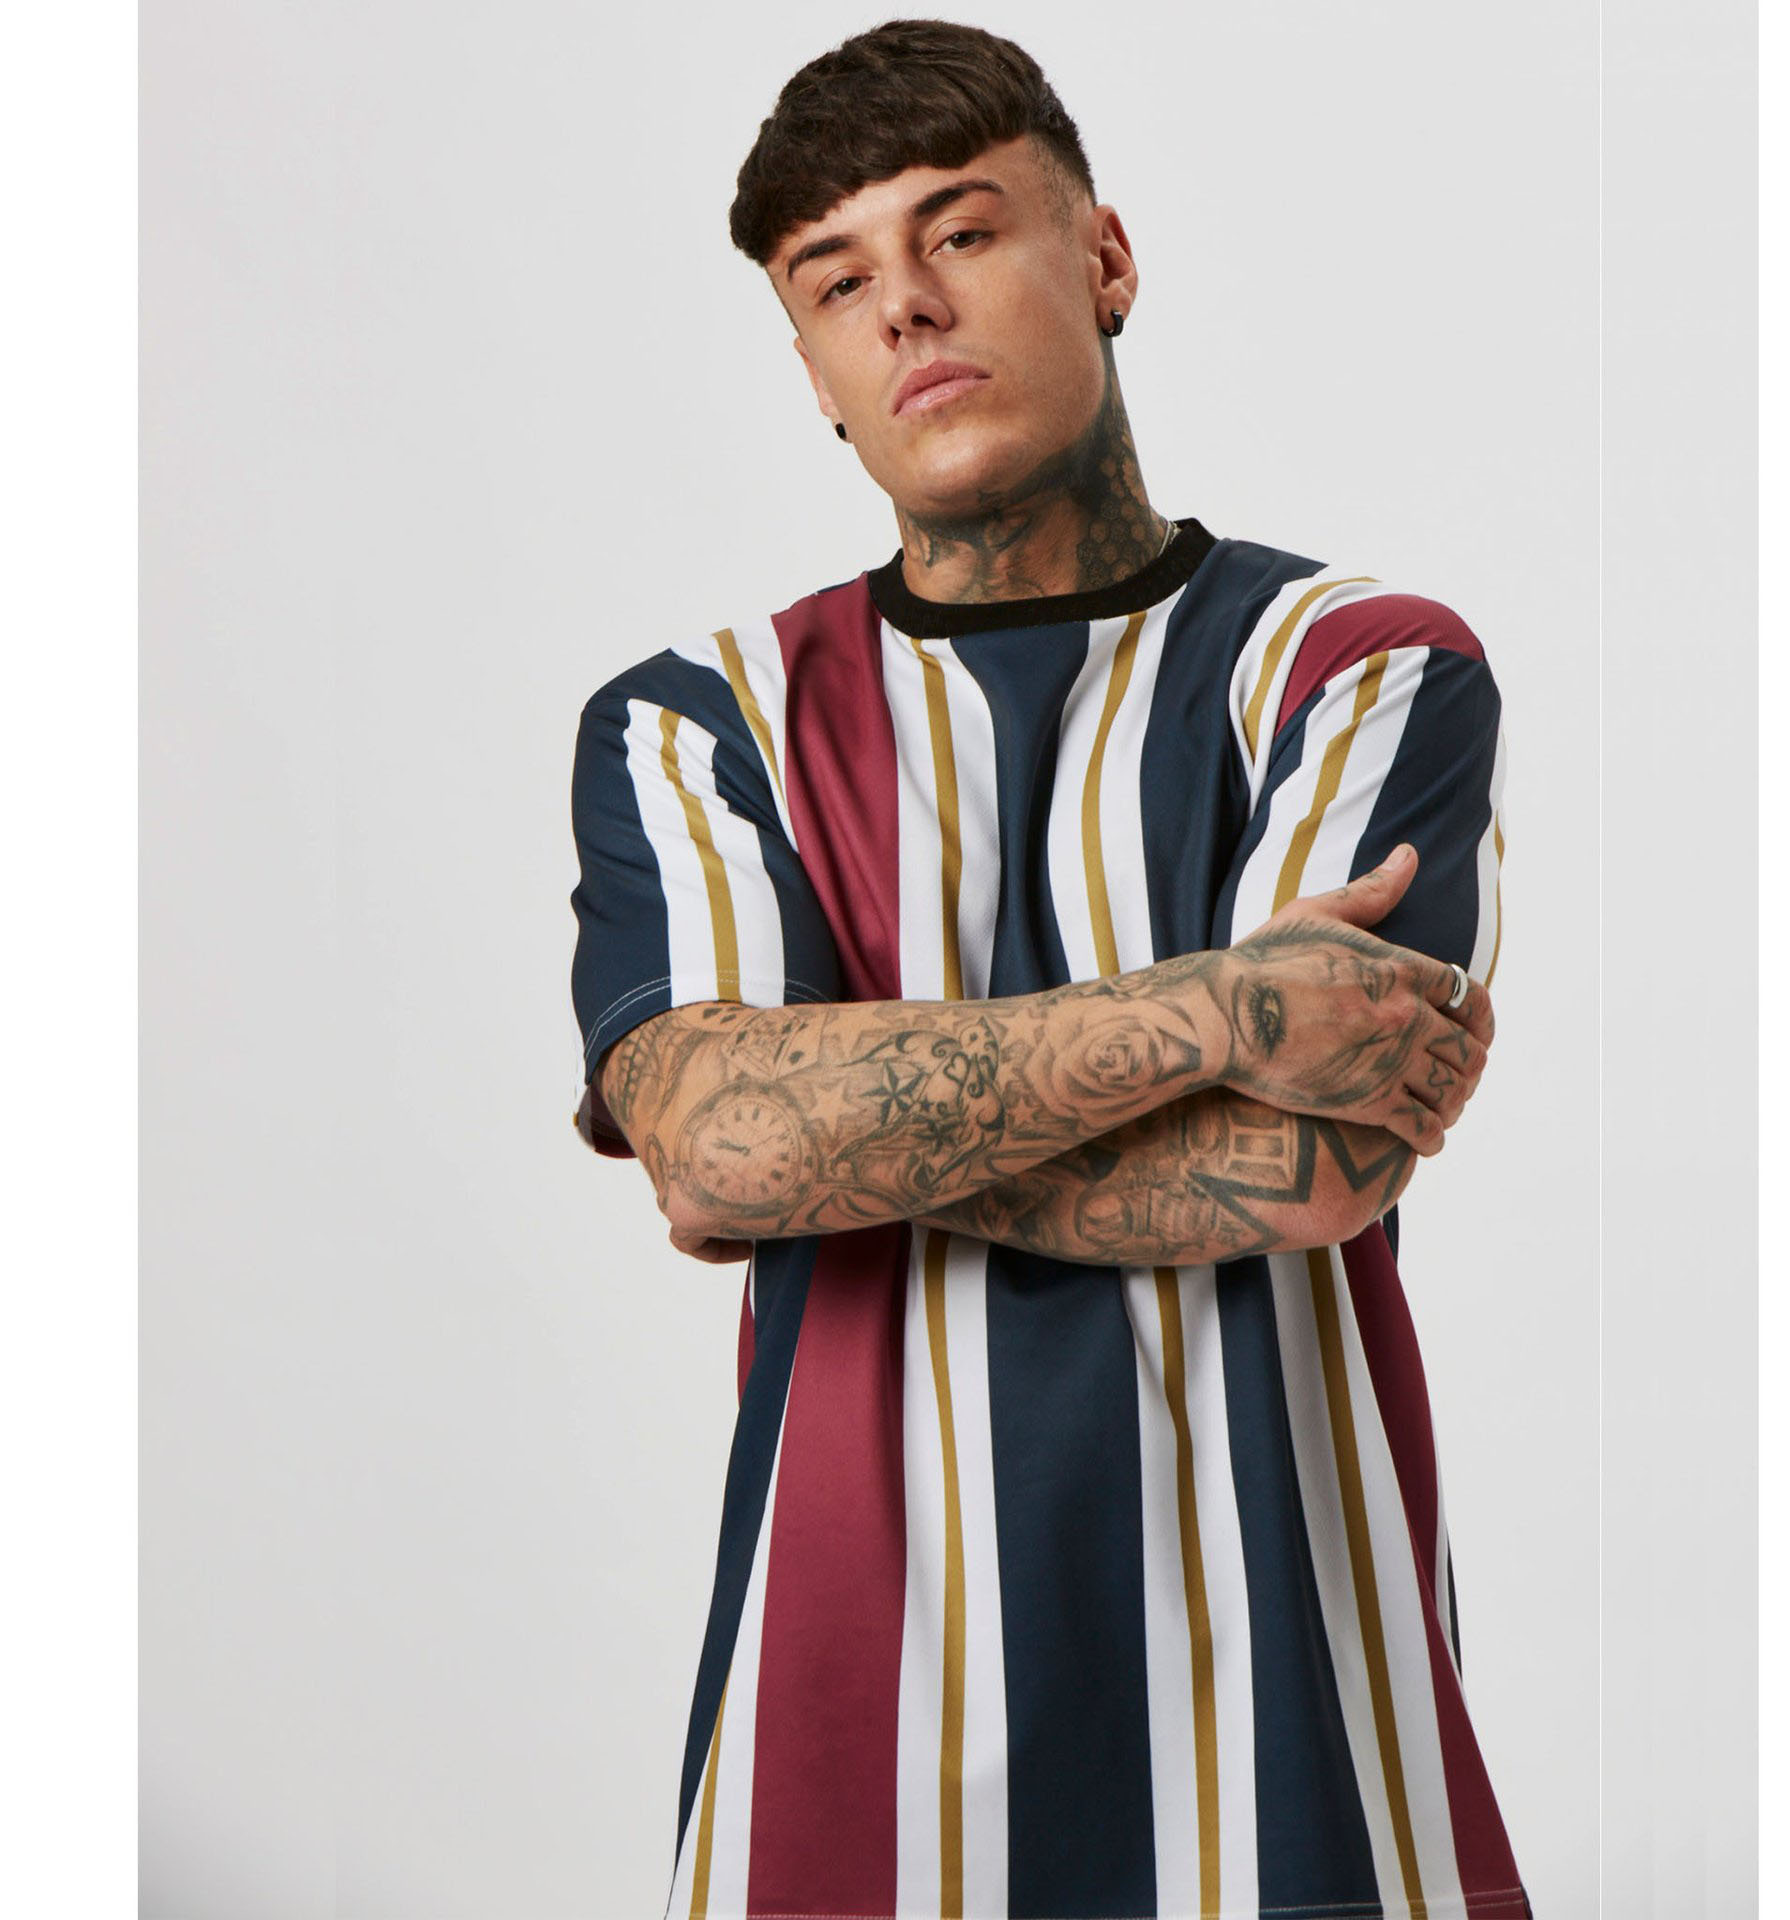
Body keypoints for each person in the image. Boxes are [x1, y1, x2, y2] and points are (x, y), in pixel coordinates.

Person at [567, 19, 1527, 1920]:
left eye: (962, 231)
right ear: (815, 372)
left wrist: (822, 1138)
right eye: (837, 281)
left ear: (1104, 257)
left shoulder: (1358, 665)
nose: (908, 306)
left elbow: (1308, 1168)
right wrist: (1219, 1005)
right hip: (844, 1716)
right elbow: (721, 1148)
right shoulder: (697, 725)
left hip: (1297, 1695)